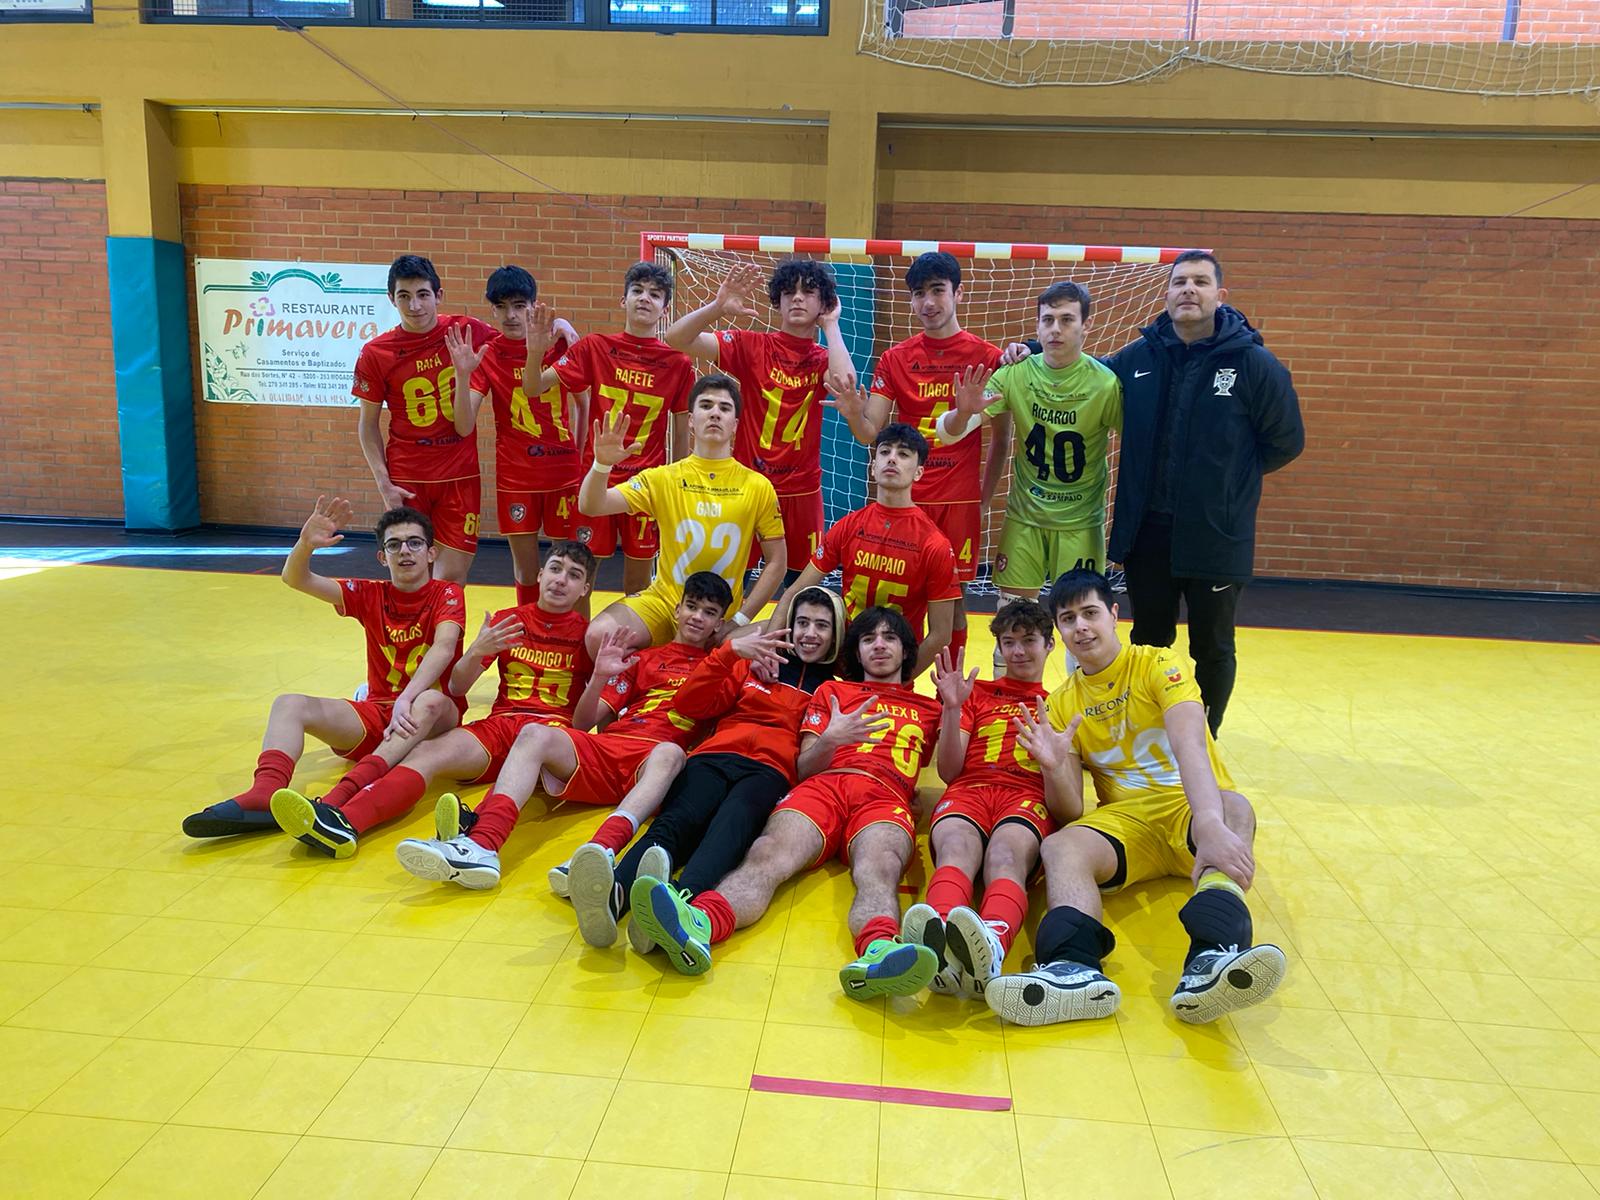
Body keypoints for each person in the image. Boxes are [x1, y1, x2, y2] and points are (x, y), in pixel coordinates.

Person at [985, 568, 1286, 1027]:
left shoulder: (1158, 663)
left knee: (1235, 808)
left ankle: (1213, 958)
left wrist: (1207, 822)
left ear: (1113, 614)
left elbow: (1189, 743)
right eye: (1068, 619)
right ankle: (1073, 970)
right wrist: (1053, 766)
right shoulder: (1062, 703)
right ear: (1059, 631)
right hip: (1128, 823)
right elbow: (1070, 810)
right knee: (1060, 846)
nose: (1081, 627)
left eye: (1090, 613)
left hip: (1190, 807)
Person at [630, 607, 943, 1001]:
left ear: (907, 650)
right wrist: (831, 739)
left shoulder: (932, 709)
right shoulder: (832, 692)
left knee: (880, 868)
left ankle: (879, 953)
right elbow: (805, 766)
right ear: (856, 651)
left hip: (883, 796)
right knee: (767, 852)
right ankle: (699, 924)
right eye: (868, 639)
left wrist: (953, 709)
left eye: (889, 638)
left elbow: (951, 770)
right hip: (824, 786)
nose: (879, 646)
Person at [393, 571, 733, 890]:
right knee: (535, 733)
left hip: (656, 764)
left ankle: (598, 852)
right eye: (692, 606)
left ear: (720, 623)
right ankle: (482, 844)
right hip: (609, 748)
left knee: (670, 753)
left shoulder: (722, 669)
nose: (697, 617)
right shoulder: (642, 658)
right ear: (677, 609)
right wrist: (599, 676)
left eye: (709, 612)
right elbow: (584, 723)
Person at [268, 542, 598, 857]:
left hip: (550, 733)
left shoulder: (590, 636)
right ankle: (345, 823)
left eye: (574, 575)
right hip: (501, 725)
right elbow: (457, 684)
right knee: (425, 753)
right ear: (540, 574)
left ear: (584, 589)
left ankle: (474, 833)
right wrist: (478, 651)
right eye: (555, 569)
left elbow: (586, 720)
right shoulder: (508, 620)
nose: (561, 580)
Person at [562, 586, 846, 950]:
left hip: (768, 771)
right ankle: (614, 894)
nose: (809, 633)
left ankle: (676, 903)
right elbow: (690, 703)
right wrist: (729, 653)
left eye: (821, 625)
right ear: (789, 625)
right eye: (802, 622)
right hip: (713, 755)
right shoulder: (755, 661)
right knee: (676, 821)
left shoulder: (833, 692)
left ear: (836, 634)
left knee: (727, 831)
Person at [1101, 251, 1304, 735]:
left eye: (1200, 281)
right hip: (1149, 532)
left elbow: (1286, 442)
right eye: (1179, 282)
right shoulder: (1138, 357)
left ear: (1220, 295)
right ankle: (1150, 737)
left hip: (1216, 534)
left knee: (1212, 647)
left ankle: (1204, 740)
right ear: (1167, 294)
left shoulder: (1254, 364)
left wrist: (1228, 485)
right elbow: (1083, 373)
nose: (1188, 289)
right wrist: (1030, 347)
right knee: (1149, 642)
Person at [181, 498, 464, 839]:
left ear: (431, 553)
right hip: (379, 713)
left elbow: (444, 647)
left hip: (434, 719)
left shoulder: (447, 593)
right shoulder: (370, 593)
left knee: (428, 701)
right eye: (394, 545)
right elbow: (295, 578)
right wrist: (305, 545)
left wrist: (407, 697)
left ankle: (340, 797)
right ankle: (265, 794)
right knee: (289, 704)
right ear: (382, 557)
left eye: (414, 543)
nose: (405, 551)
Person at [829, 251, 1005, 663]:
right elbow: (870, 432)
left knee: (954, 606)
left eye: (938, 291)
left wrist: (982, 499)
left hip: (958, 502)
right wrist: (853, 414)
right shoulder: (895, 358)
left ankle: (948, 690)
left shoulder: (989, 357)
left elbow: (1002, 437)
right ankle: (884, 677)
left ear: (958, 293)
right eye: (919, 293)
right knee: (896, 598)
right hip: (909, 501)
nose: (928, 302)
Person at [901, 599, 1057, 998]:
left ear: (1049, 645)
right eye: (1009, 642)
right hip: (969, 789)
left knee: (1006, 856)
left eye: (1029, 641)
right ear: (999, 647)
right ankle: (937, 946)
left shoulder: (1059, 703)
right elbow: (949, 772)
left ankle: (990, 948)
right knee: (956, 848)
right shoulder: (976, 693)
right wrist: (952, 709)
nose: (1018, 651)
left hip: (1024, 795)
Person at [662, 260, 856, 577]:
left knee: (800, 586)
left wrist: (831, 325)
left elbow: (845, 383)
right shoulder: (752, 346)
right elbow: (676, 339)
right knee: (728, 580)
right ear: (777, 301)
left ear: (824, 303)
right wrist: (716, 308)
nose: (797, 298)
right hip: (748, 485)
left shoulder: (824, 359)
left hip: (802, 491)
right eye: (788, 291)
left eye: (808, 292)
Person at [940, 281, 1122, 611]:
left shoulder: (1106, 384)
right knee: (1013, 618)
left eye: (1067, 319)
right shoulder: (1015, 373)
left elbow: (1136, 446)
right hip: (1025, 518)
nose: (1056, 329)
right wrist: (962, 412)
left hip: (1080, 523)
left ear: (1086, 325)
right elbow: (950, 433)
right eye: (1048, 319)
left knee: (1080, 620)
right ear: (1037, 325)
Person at [518, 262, 697, 598]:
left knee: (638, 584)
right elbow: (533, 387)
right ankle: (577, 633)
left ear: (665, 309)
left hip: (645, 486)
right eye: (637, 291)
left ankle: (630, 636)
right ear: (623, 300)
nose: (645, 298)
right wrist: (535, 352)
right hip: (597, 480)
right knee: (580, 576)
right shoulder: (595, 347)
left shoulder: (679, 363)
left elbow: (680, 432)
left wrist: (678, 485)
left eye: (655, 294)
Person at [574, 372, 786, 654]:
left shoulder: (758, 486)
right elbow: (592, 505)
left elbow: (777, 562)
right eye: (706, 405)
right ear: (691, 420)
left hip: (720, 616)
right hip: (665, 605)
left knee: (787, 635)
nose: (715, 413)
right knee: (599, 635)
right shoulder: (663, 477)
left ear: (735, 425)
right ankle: (648, 676)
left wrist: (739, 619)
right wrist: (601, 465)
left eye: (724, 408)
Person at [767, 422, 958, 676]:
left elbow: (941, 635)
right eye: (885, 452)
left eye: (903, 454)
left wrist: (897, 681)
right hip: (838, 661)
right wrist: (768, 651)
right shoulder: (849, 526)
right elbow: (794, 592)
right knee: (740, 638)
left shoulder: (934, 544)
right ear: (873, 466)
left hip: (887, 669)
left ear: (919, 472)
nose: (892, 459)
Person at [444, 264, 584, 609]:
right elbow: (464, 426)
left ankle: (573, 635)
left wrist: (581, 460)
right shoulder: (489, 353)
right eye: (501, 307)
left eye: (519, 306)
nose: (510, 315)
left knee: (571, 566)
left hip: (563, 473)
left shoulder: (559, 344)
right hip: (516, 476)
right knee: (526, 570)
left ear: (534, 305)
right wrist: (462, 376)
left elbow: (586, 403)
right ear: (492, 309)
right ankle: (529, 632)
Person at [353, 255, 496, 583]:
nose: (414, 305)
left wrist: (561, 326)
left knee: (450, 581)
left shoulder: (467, 331)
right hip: (408, 479)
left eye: (422, 294)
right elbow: (368, 424)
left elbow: (517, 339)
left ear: (438, 295)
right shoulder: (376, 353)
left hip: (459, 476)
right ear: (392, 299)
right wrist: (383, 483)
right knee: (412, 579)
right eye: (404, 296)